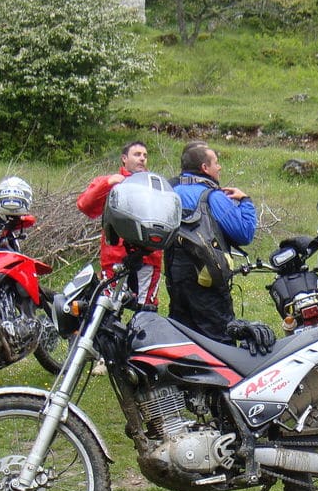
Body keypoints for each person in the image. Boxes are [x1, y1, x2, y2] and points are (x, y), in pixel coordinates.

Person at [166, 142, 274, 353]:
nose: (220, 167)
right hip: (207, 280)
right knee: (219, 340)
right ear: (205, 168)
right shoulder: (212, 197)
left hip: (175, 276)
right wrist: (245, 201)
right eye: (216, 162)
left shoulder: (169, 193)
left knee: (183, 336)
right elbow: (244, 234)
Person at [77, 140, 162, 309]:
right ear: (124, 158)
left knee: (146, 310)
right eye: (137, 154)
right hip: (115, 257)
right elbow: (85, 206)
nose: (142, 159)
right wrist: (107, 184)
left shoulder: (155, 185)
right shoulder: (111, 182)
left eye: (145, 155)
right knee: (109, 308)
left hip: (148, 257)